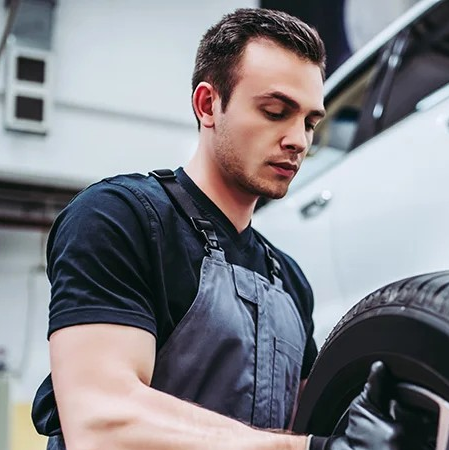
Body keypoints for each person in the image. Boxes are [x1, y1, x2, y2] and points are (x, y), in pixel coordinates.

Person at [31, 8, 421, 450]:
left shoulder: (288, 281)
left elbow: (306, 421)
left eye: (311, 122)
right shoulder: (121, 219)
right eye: (276, 111)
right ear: (207, 105)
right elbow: (102, 422)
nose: (299, 140)